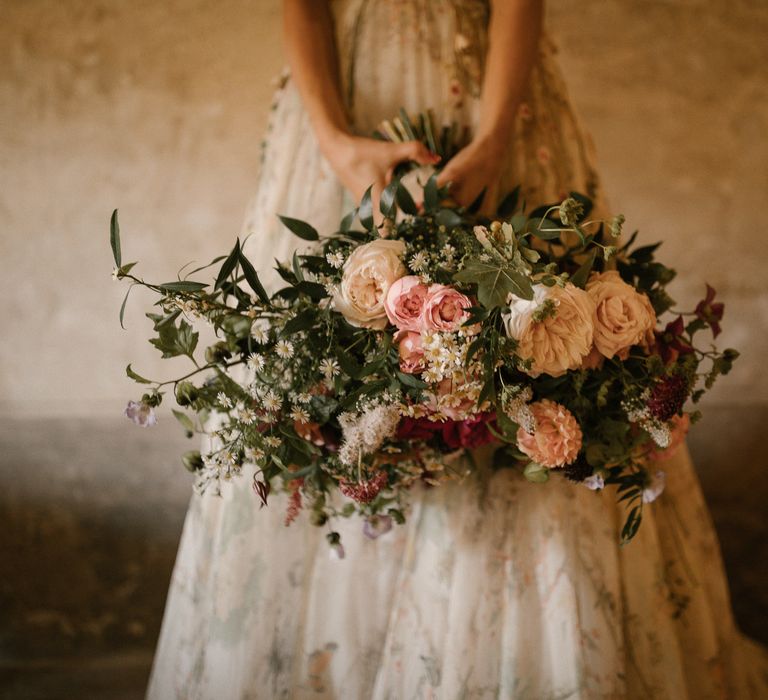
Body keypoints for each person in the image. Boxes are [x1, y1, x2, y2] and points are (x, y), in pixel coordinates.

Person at [147, 1, 768, 697]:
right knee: (332, 362)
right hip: (349, 100)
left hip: (491, 92)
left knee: (540, 343)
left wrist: (496, 135)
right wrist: (332, 140)